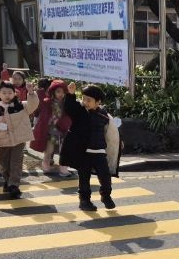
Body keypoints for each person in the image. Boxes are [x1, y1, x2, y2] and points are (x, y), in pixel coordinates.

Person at [60, 83, 116, 211]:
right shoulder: (80, 111)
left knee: (105, 177)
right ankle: (84, 201)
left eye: (89, 100)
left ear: (98, 102)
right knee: (84, 179)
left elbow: (111, 130)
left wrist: (119, 141)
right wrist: (71, 94)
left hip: (99, 151)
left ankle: (106, 196)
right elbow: (69, 108)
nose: (85, 102)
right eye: (84, 98)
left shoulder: (103, 114)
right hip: (83, 152)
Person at [0, 81, 38, 198]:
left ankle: (14, 185)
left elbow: (33, 105)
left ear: (14, 93)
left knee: (15, 163)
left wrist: (31, 92)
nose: (7, 95)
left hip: (18, 141)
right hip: (2, 142)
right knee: (4, 164)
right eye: (4, 93)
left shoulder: (21, 106)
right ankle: (8, 181)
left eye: (10, 93)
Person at [30, 80, 73, 176]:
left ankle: (63, 168)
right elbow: (40, 104)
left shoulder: (66, 103)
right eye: (58, 92)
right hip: (51, 131)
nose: (61, 94)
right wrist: (39, 92)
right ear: (53, 92)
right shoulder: (48, 102)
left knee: (64, 151)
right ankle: (46, 166)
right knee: (49, 150)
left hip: (63, 130)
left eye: (63, 92)